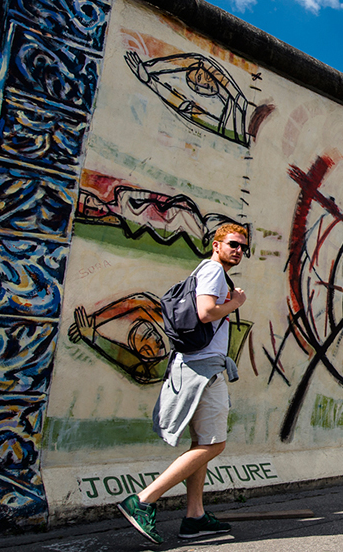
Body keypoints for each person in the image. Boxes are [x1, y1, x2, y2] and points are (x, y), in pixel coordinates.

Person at [118, 223, 249, 543]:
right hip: (203, 369)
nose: (238, 251)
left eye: (243, 247)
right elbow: (206, 312)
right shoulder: (213, 271)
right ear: (216, 245)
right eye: (233, 244)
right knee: (215, 444)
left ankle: (195, 516)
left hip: (199, 366)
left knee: (203, 441)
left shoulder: (208, 271)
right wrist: (237, 303)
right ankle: (143, 500)